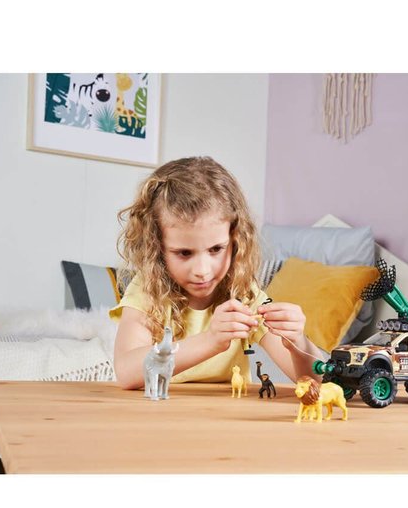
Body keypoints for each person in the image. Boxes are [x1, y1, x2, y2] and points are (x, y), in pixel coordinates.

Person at [110, 156, 324, 390]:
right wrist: (210, 340)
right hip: (163, 411)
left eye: (216, 249)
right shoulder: (148, 289)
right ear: (157, 247)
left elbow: (316, 382)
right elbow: (127, 373)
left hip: (227, 413)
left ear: (236, 240)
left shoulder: (243, 294)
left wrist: (298, 341)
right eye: (184, 253)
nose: (202, 271)